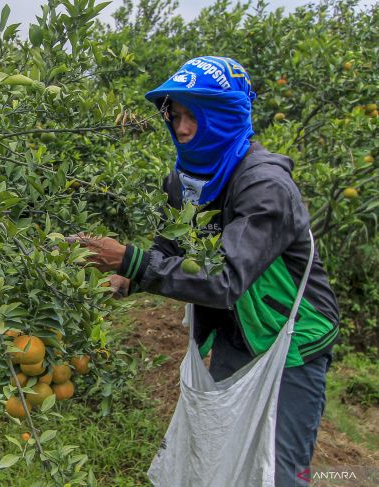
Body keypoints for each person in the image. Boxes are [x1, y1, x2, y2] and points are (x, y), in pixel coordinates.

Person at [71, 56, 339, 486]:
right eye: (176, 115)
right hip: (237, 333)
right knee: (222, 457)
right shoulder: (185, 179)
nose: (182, 128)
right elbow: (173, 246)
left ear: (225, 116)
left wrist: (132, 260)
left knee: (280, 471)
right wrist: (125, 278)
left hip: (292, 342)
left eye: (195, 115)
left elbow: (224, 279)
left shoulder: (265, 184)